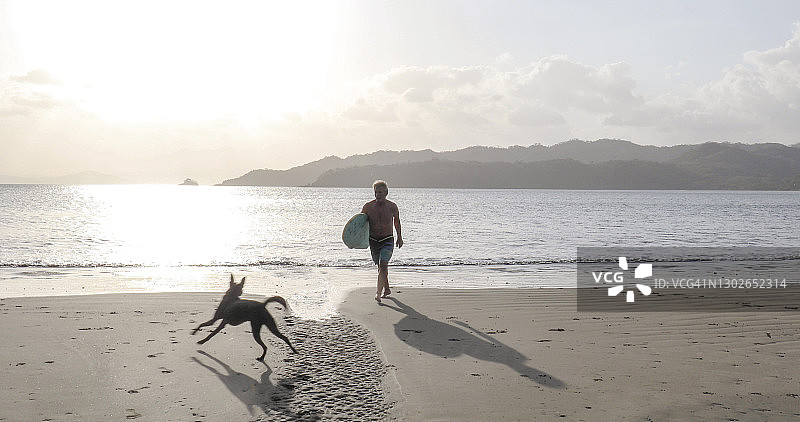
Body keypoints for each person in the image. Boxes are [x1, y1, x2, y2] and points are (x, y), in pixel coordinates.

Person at [361, 180, 403, 303]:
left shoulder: (392, 206)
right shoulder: (368, 206)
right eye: (375, 192)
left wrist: (399, 237)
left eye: (380, 192)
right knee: (380, 266)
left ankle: (378, 293)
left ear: (386, 192)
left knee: (383, 264)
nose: (377, 195)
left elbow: (397, 222)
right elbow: (360, 224)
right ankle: (387, 289)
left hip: (387, 239)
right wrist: (356, 241)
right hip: (373, 240)